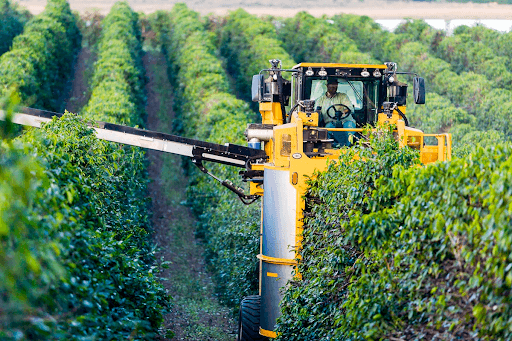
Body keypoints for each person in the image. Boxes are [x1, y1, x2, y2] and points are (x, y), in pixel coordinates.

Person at [315, 78, 356, 147]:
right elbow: (316, 113)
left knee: (350, 126)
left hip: (345, 121)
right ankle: (329, 148)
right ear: (327, 85)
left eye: (335, 85)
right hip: (330, 123)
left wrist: (343, 112)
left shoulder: (343, 96)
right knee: (326, 130)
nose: (333, 87)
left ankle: (348, 147)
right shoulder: (320, 100)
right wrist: (318, 113)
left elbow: (350, 108)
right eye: (331, 85)